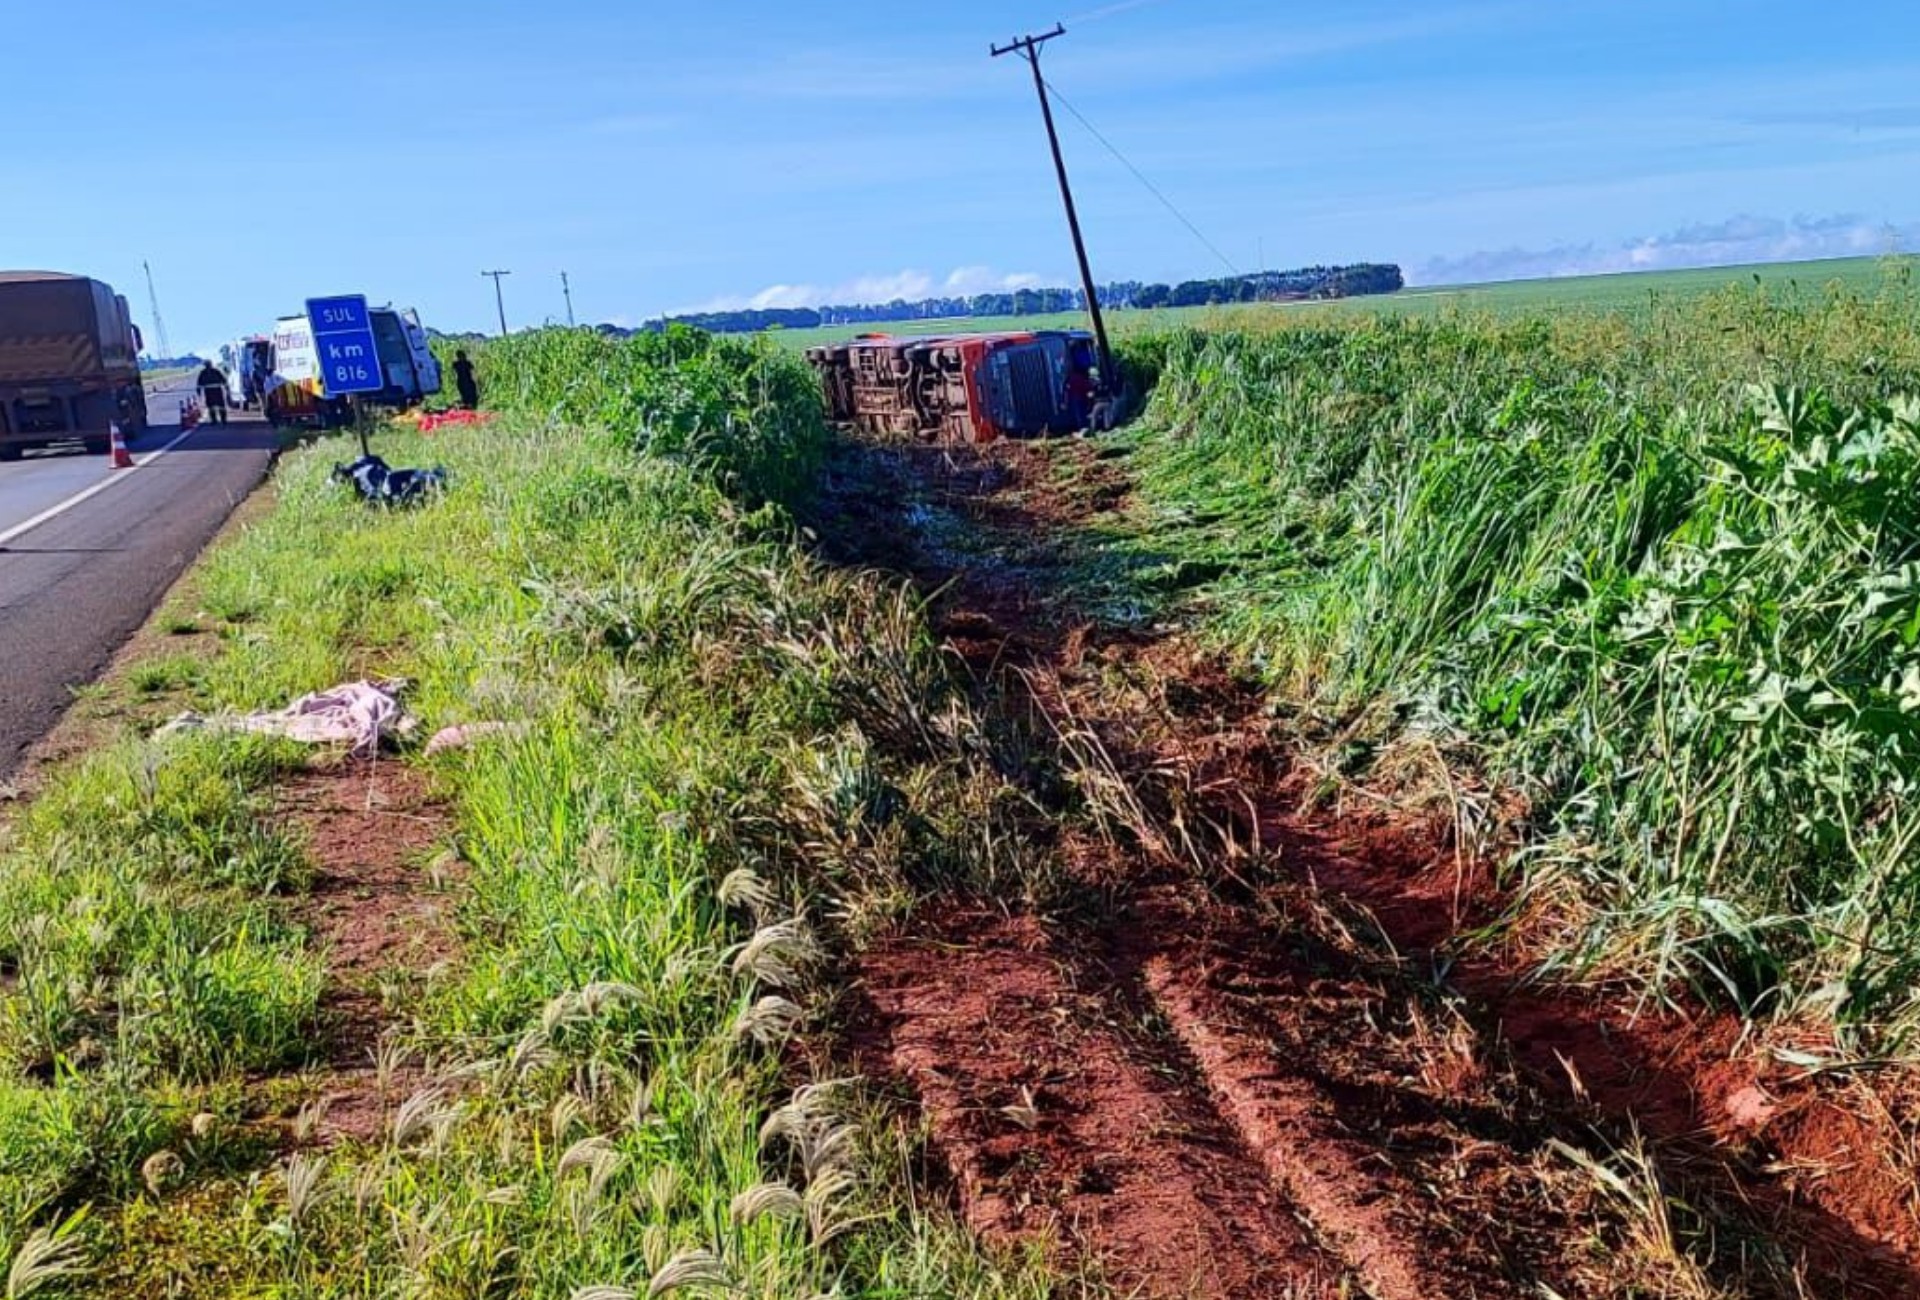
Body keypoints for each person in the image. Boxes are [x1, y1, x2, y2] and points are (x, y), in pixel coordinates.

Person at [195, 360, 229, 425]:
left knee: (219, 405)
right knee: (212, 406)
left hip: (215, 391)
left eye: (208, 364)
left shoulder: (213, 371)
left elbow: (223, 380)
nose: (208, 366)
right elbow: (199, 383)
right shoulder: (205, 373)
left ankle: (221, 420)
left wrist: (226, 387)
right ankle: (216, 420)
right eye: (207, 364)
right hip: (211, 391)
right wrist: (199, 392)